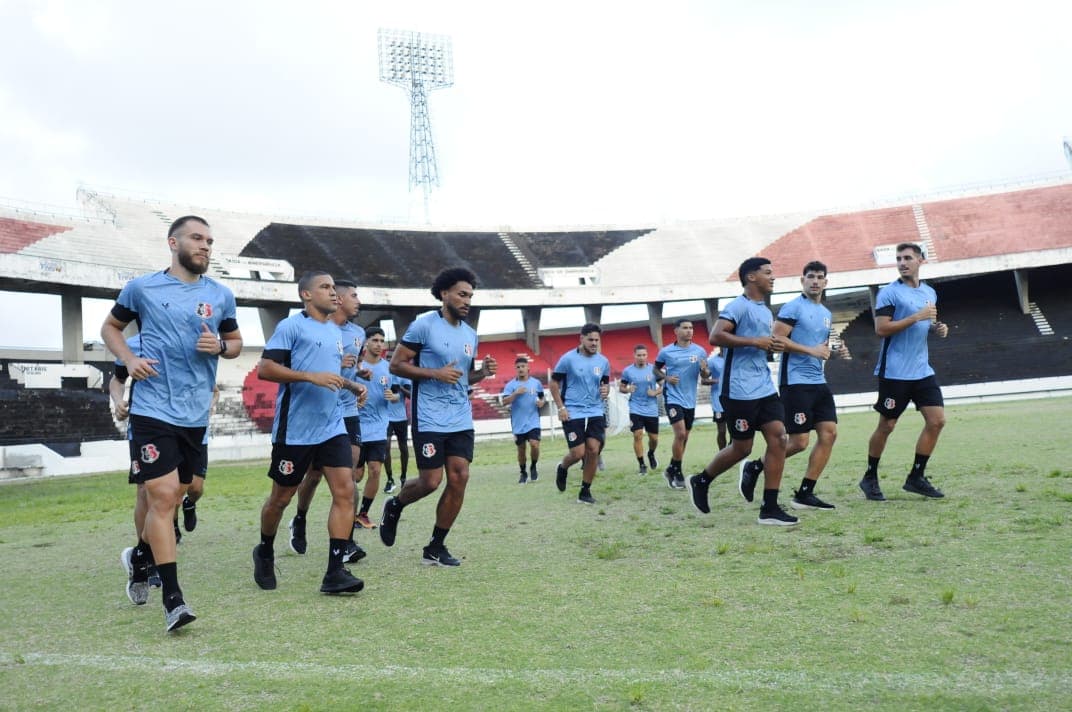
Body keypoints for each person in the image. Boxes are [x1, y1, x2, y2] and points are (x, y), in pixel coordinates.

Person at [101, 214, 243, 632]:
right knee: (160, 495)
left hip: (195, 413)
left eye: (210, 240)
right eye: (197, 238)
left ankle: (141, 557)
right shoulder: (142, 288)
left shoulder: (221, 295)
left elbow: (236, 343)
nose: (205, 246)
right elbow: (111, 328)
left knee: (184, 490)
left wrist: (219, 345)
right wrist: (129, 360)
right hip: (152, 410)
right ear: (172, 242)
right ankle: (174, 600)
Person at [253, 271, 367, 595]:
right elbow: (265, 368)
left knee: (345, 492)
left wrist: (351, 383)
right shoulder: (290, 326)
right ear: (306, 295)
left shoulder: (334, 331)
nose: (334, 293)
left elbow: (328, 375)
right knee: (281, 498)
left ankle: (335, 572)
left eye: (334, 288)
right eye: (325, 287)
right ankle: (264, 549)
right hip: (295, 431)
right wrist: (308, 377)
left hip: (332, 426)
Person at [379, 267, 498, 567]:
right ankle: (395, 505)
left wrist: (481, 373)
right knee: (432, 481)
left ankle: (435, 546)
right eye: (461, 294)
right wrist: (435, 373)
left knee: (460, 478)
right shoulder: (423, 326)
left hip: (460, 416)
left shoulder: (471, 334)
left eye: (470, 296)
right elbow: (396, 365)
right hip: (429, 415)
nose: (467, 301)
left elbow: (461, 379)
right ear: (444, 294)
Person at [686, 257, 798, 526]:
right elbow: (716, 336)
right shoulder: (737, 306)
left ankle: (769, 507)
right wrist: (754, 341)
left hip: (763, 387)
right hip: (738, 390)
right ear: (751, 277)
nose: (773, 277)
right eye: (768, 273)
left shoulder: (764, 310)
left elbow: (759, 344)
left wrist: (770, 346)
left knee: (779, 439)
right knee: (742, 448)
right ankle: (701, 480)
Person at [859, 243, 949, 501]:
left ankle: (916, 477)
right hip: (894, 371)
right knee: (887, 425)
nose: (902, 262)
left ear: (921, 260)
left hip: (922, 370)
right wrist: (917, 317)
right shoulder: (889, 294)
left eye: (908, 257)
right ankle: (869, 477)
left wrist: (936, 328)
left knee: (937, 421)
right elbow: (881, 329)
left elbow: (926, 324)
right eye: (899, 258)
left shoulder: (929, 292)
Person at [287, 279, 367, 559]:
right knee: (313, 474)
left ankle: (346, 542)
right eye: (354, 296)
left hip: (348, 410)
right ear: (340, 300)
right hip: (317, 411)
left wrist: (359, 373)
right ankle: (300, 517)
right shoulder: (316, 327)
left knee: (351, 475)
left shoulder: (358, 332)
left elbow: (357, 364)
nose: (358, 301)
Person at [770, 261, 838, 510]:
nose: (815, 281)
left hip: (818, 381)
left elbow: (818, 346)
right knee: (799, 442)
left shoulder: (827, 314)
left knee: (829, 433)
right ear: (802, 281)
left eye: (820, 277)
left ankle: (805, 493)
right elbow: (775, 340)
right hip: (795, 382)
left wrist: (823, 351)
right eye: (811, 276)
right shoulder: (793, 307)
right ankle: (757, 465)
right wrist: (811, 350)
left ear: (826, 282)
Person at [109, 334, 160, 593]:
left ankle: (141, 552)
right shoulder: (133, 343)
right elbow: (117, 381)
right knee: (146, 491)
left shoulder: (190, 334)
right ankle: (149, 562)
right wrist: (118, 402)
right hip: (144, 426)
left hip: (184, 425)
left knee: (180, 491)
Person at [550, 323, 611, 504]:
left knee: (593, 450)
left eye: (596, 340)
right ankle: (562, 468)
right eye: (590, 339)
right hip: (572, 411)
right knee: (577, 453)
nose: (594, 343)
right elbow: (553, 384)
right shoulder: (567, 359)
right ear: (581, 339)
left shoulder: (603, 361)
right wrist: (561, 408)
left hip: (595, 410)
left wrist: (606, 390)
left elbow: (604, 384)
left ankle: (585, 491)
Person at [654, 319, 710, 489]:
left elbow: (706, 376)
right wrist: (666, 378)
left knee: (684, 437)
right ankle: (677, 472)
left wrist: (704, 370)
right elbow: (655, 369)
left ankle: (671, 468)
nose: (689, 331)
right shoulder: (666, 352)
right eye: (685, 328)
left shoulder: (700, 351)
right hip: (673, 398)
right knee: (680, 434)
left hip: (690, 400)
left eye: (691, 328)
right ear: (676, 331)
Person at [352, 327, 394, 529]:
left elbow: (395, 393)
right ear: (366, 342)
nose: (379, 344)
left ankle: (363, 513)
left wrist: (394, 397)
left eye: (382, 340)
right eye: (375, 340)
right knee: (356, 475)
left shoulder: (389, 368)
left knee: (375, 470)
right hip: (357, 425)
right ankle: (347, 511)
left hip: (379, 426)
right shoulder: (356, 367)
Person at [173, 383, 218, 542]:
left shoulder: (201, 375)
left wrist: (210, 406)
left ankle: (190, 504)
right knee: (175, 489)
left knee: (196, 488)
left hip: (199, 437)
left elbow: (215, 392)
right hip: (175, 435)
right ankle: (173, 525)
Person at [501, 356, 546, 483]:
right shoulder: (511, 385)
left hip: (533, 421)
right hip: (518, 423)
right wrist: (516, 393)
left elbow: (542, 398)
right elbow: (504, 402)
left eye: (523, 366)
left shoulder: (536, 383)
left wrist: (542, 402)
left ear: (528, 368)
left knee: (534, 444)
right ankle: (523, 472)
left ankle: (533, 467)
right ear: (515, 369)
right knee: (521, 449)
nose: (521, 369)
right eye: (518, 367)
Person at [619, 344, 662, 475]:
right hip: (635, 408)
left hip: (651, 408)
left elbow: (663, 386)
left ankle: (651, 453)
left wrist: (655, 393)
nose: (641, 357)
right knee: (638, 435)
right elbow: (621, 388)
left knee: (653, 438)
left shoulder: (654, 370)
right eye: (639, 355)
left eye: (644, 355)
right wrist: (627, 389)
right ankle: (642, 464)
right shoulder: (628, 371)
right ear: (634, 356)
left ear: (647, 355)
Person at [383, 369, 412, 494]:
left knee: (403, 447)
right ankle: (390, 479)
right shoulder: (383, 373)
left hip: (400, 417)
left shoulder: (403, 374)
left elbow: (410, 394)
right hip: (386, 417)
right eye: (388, 356)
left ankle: (403, 477)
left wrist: (399, 387)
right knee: (386, 446)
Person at [702, 347, 728, 450]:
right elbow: (704, 380)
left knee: (735, 430)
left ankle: (733, 452)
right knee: (721, 431)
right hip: (718, 401)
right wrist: (719, 381)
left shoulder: (736, 359)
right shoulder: (712, 361)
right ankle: (722, 455)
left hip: (735, 398)